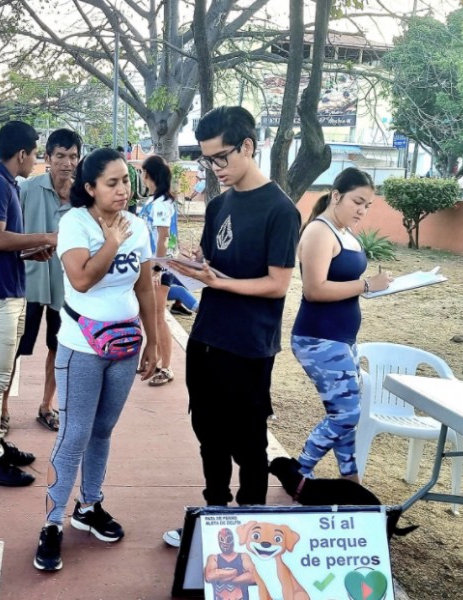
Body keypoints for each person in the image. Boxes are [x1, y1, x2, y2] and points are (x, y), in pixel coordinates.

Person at [164, 106, 300, 546]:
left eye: (220, 157)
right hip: (206, 337)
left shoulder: (280, 210)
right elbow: (212, 263)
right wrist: (193, 264)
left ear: (247, 146)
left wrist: (219, 280)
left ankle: (252, 528)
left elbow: (277, 284)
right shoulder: (219, 203)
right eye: (206, 160)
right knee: (208, 434)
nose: (214, 169)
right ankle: (214, 518)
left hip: (248, 346)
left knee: (249, 444)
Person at [33, 148, 159, 572]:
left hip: (123, 346)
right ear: (89, 188)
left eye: (127, 180)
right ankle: (51, 524)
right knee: (74, 435)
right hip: (81, 347)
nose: (123, 189)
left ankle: (89, 506)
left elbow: (144, 290)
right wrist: (111, 242)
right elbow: (82, 280)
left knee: (102, 431)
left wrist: (154, 342)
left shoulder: (138, 227)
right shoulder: (74, 223)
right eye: (112, 182)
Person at [0, 120, 58, 488]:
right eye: (35, 154)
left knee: (1, 375)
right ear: (22, 154)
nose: (35, 161)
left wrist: (29, 251)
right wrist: (47, 236)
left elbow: (4, 243)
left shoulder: (4, 183)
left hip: (8, 288)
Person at [291, 168, 392, 482]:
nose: (362, 210)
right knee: (347, 414)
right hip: (318, 339)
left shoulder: (346, 232)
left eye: (367, 205)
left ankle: (351, 481)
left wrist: (377, 285)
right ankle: (299, 472)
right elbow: (314, 289)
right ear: (336, 196)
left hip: (341, 338)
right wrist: (366, 286)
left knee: (344, 413)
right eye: (357, 201)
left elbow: (346, 281)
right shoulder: (320, 232)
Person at [0, 128, 82, 435]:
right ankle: (3, 409)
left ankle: (47, 405)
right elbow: (5, 232)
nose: (67, 163)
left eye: (73, 156)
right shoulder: (27, 189)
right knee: (15, 349)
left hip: (68, 288)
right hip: (28, 284)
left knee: (59, 348)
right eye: (60, 156)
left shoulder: (81, 199)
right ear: (47, 158)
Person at [138, 155, 179, 386]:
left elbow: (163, 237)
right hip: (154, 265)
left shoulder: (162, 203)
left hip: (160, 267)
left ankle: (166, 367)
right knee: (152, 315)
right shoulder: (155, 201)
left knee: (158, 316)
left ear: (147, 174)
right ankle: (157, 360)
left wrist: (156, 268)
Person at [204, 528, 256, 600]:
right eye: (222, 540)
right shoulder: (214, 558)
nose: (225, 543)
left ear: (232, 541)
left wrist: (223, 578)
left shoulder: (243, 557)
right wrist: (234, 572)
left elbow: (254, 576)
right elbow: (209, 576)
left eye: (228, 539)